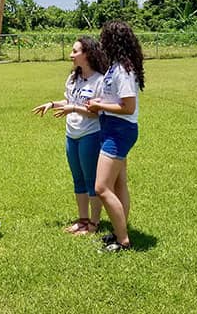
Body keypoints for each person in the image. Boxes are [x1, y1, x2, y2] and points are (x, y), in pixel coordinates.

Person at [32, 37, 108, 236]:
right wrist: (52, 104)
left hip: (90, 134)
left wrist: (73, 108)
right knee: (78, 179)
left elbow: (96, 112)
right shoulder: (73, 78)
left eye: (75, 51)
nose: (71, 55)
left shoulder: (99, 80)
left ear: (87, 54)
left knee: (91, 180)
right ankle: (82, 220)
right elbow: (68, 99)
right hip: (71, 134)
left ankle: (93, 223)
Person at [85, 20, 145, 253]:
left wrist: (102, 106)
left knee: (101, 187)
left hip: (120, 131)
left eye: (104, 38)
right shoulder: (115, 67)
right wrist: (101, 104)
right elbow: (116, 101)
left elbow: (128, 107)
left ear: (113, 41)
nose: (101, 43)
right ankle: (120, 232)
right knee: (119, 184)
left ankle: (123, 241)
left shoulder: (123, 70)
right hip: (112, 127)